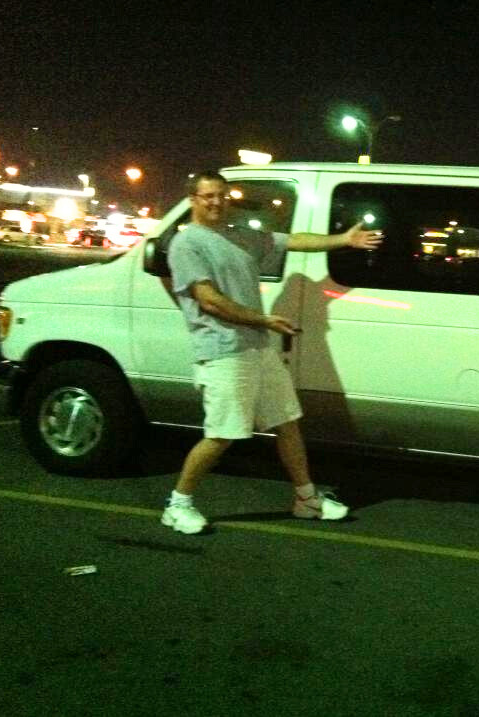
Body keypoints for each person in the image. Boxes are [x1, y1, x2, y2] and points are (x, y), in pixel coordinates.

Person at [161, 170, 383, 534]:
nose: (216, 202)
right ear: (192, 201)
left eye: (221, 195)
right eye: (207, 196)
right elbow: (209, 301)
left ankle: (306, 500)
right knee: (222, 434)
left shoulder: (241, 235)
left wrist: (343, 239)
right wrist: (262, 320)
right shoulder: (189, 244)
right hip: (223, 349)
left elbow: (295, 240)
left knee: (287, 423)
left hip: (257, 347)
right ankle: (177, 504)